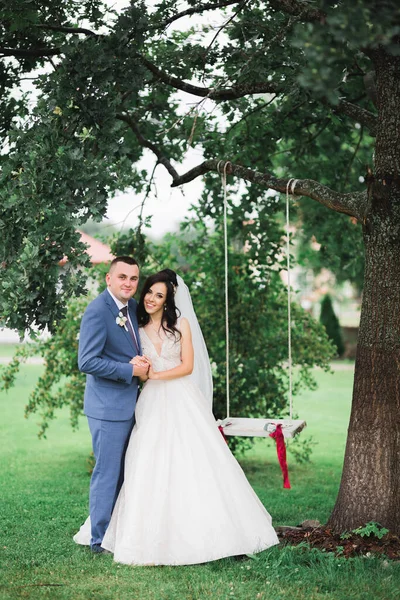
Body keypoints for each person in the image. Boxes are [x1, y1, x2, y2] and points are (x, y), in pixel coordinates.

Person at [75, 269, 279, 564]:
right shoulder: (136, 321)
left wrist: (154, 374)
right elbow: (119, 355)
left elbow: (187, 366)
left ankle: (220, 531)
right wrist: (136, 367)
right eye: (149, 292)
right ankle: (132, 532)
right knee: (146, 463)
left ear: (169, 299)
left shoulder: (180, 324)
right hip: (150, 403)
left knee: (196, 461)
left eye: (160, 295)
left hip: (182, 400)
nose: (151, 299)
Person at [77, 256, 149, 553]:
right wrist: (129, 370)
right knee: (107, 472)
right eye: (122, 277)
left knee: (125, 471)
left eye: (133, 278)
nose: (128, 283)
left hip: (131, 403)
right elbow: (87, 361)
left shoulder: (132, 307)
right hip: (107, 408)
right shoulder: (97, 311)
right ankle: (99, 540)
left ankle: (118, 531)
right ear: (109, 279)